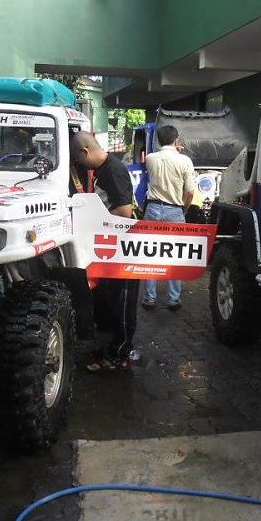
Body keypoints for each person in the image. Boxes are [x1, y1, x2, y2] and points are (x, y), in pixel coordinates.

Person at [70, 131, 139, 372]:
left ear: (84, 151)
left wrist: (92, 221)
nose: (79, 165)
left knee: (124, 304)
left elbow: (124, 212)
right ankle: (116, 347)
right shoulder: (102, 170)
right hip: (112, 247)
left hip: (125, 248)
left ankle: (119, 353)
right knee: (115, 301)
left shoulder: (113, 170)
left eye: (78, 159)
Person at [141, 124, 195, 311]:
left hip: (153, 210)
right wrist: (184, 210)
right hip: (175, 211)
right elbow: (189, 192)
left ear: (157, 140)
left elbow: (160, 159)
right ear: (176, 140)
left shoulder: (150, 159)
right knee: (175, 255)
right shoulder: (185, 161)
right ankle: (173, 299)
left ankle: (150, 298)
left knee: (151, 253)